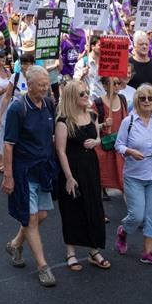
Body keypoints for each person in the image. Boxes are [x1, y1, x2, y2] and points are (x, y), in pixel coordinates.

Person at [1, 65, 58, 287]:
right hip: (23, 171)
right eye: (41, 85)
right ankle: (43, 267)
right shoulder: (17, 109)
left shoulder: (49, 105)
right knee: (30, 218)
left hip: (43, 170)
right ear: (30, 84)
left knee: (41, 215)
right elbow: (8, 145)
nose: (46, 88)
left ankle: (15, 244)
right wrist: (8, 175)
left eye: (47, 84)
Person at [55, 79, 110, 272]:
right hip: (72, 168)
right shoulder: (63, 121)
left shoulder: (93, 116)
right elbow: (60, 151)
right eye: (81, 94)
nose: (86, 95)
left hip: (90, 167)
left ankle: (94, 250)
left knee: (94, 207)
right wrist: (69, 177)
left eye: (86, 92)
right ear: (71, 97)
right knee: (72, 209)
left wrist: (96, 142)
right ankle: (70, 252)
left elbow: (96, 138)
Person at [114, 84, 152, 267]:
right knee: (137, 216)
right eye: (142, 98)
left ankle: (148, 252)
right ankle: (123, 231)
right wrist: (130, 151)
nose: (147, 101)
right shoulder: (128, 122)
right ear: (136, 101)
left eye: (151, 98)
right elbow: (118, 145)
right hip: (134, 176)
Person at [93, 76, 127, 196]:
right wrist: (103, 125)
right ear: (104, 86)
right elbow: (91, 128)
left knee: (124, 183)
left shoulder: (123, 99)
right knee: (103, 181)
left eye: (118, 83)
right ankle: (101, 213)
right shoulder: (97, 104)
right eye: (113, 83)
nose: (116, 86)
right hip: (105, 149)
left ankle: (134, 213)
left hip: (120, 148)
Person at [73, 35, 104, 100]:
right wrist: (83, 74)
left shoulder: (105, 63)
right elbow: (74, 84)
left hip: (102, 100)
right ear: (92, 47)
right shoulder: (82, 63)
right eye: (100, 45)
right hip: (88, 102)